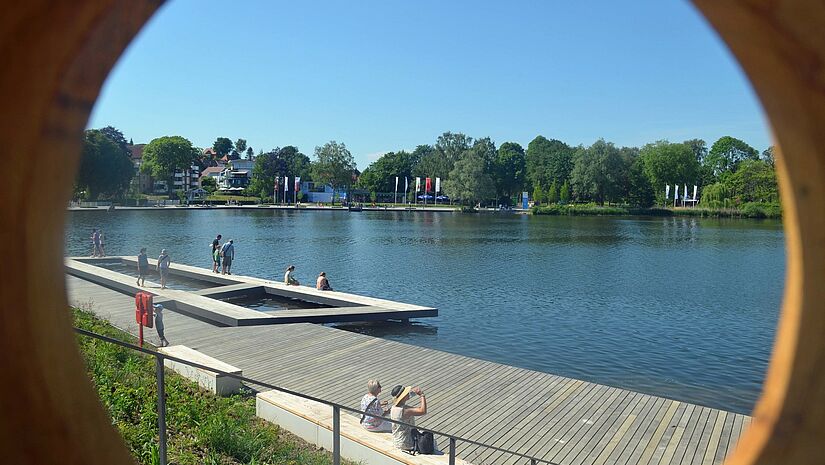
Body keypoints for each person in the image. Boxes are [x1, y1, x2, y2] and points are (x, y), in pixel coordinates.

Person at [390, 385, 427, 451]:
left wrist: (414, 393)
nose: (408, 393)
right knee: (431, 441)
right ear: (403, 396)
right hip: (406, 442)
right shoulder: (405, 410)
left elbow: (405, 397)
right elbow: (423, 411)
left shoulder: (394, 408)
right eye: (406, 393)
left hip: (397, 439)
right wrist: (422, 395)